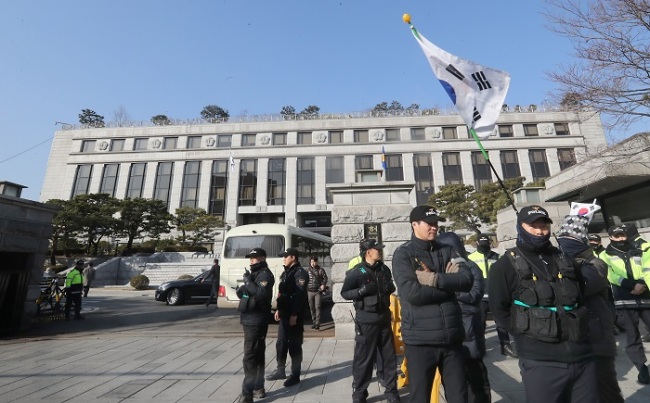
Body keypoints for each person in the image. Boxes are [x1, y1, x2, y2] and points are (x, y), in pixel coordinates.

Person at [488, 205, 597, 402]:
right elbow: (499, 308)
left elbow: (582, 296)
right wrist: (524, 334)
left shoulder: (565, 259)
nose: (539, 231)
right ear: (520, 227)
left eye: (544, 226)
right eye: (533, 226)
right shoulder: (503, 266)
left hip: (582, 358)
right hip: (540, 362)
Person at [392, 205, 473, 403]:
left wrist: (434, 279)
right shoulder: (403, 254)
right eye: (429, 223)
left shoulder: (448, 250)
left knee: (459, 396)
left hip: (452, 339)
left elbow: (467, 280)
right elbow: (412, 294)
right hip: (421, 341)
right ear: (414, 225)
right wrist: (449, 284)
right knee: (420, 397)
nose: (434, 227)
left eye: (436, 223)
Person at [556, 216, 623, 403]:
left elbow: (577, 289)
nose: (564, 244)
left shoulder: (596, 264)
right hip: (575, 340)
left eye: (569, 240)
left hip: (598, 340)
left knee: (607, 390)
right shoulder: (561, 262)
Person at [341, 239, 401, 403]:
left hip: (383, 318)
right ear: (368, 252)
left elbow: (390, 285)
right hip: (366, 320)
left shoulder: (384, 269)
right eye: (377, 249)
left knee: (389, 357)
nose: (380, 252)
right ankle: (359, 393)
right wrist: (360, 291)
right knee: (364, 359)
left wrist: (390, 287)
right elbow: (345, 293)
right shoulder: (356, 271)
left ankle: (391, 391)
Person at [438, 232, 491, 403]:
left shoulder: (470, 267)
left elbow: (474, 294)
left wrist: (449, 286)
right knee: (455, 381)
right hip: (450, 330)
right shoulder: (442, 267)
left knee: (476, 377)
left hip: (469, 329)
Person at [599, 225, 650, 384]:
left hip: (645, 296)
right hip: (624, 300)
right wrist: (631, 285)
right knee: (632, 337)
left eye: (623, 235)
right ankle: (642, 369)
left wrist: (642, 284)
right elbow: (610, 275)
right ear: (611, 237)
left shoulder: (638, 249)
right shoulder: (604, 255)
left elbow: (647, 269)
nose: (621, 238)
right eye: (617, 236)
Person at [468, 233, 517, 358]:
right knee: (480, 323)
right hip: (479, 296)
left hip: (495, 295)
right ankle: (481, 345)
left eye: (487, 242)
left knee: (501, 322)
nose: (484, 245)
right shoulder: (471, 257)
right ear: (477, 243)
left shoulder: (496, 257)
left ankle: (505, 346)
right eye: (482, 242)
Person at [236, 248, 275, 403]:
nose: (252, 260)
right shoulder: (253, 274)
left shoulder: (264, 274)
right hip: (250, 319)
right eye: (250, 258)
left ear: (262, 258)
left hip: (256, 319)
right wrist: (247, 286)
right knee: (257, 355)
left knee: (250, 357)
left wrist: (248, 283)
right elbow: (241, 293)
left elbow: (261, 295)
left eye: (255, 258)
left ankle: (247, 394)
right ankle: (258, 387)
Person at [266, 247, 308, 387]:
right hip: (284, 314)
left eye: (286, 256)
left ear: (293, 258)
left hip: (294, 315)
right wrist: (279, 309)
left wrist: (295, 314)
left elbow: (300, 296)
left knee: (294, 345)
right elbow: (282, 293)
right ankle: (280, 370)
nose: (284, 258)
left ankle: (295, 375)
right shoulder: (286, 273)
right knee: (281, 343)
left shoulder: (300, 273)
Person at [306, 256, 328, 330]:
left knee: (317, 307)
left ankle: (317, 323)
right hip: (309, 291)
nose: (313, 263)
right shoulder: (307, 270)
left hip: (317, 291)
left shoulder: (320, 270)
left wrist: (323, 285)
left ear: (317, 262)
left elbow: (325, 278)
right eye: (311, 261)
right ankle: (314, 321)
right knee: (311, 308)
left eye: (314, 261)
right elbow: (305, 279)